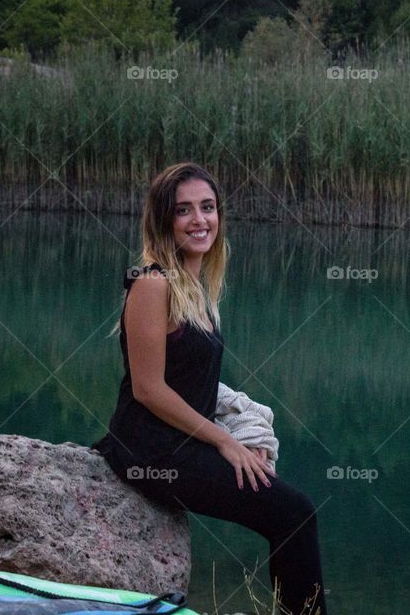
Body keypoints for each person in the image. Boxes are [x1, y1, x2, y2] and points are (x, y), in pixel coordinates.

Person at [92, 162, 328, 615]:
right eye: (184, 210)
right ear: (164, 220)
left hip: (183, 443)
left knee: (291, 512)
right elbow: (148, 389)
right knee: (294, 514)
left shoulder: (196, 289)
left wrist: (243, 438)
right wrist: (226, 444)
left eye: (208, 207)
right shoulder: (151, 284)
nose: (199, 220)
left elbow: (196, 382)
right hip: (150, 451)